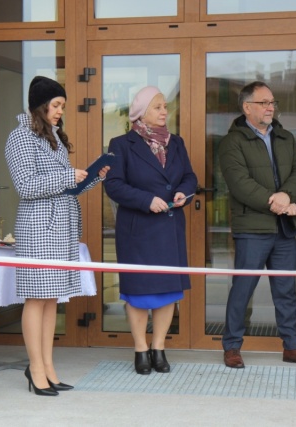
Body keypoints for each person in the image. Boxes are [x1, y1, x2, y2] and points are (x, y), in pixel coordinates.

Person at [5, 76, 109, 396]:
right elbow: (25, 185)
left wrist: (92, 177)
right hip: (38, 228)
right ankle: (35, 368)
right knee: (36, 298)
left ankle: (48, 366)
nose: (61, 111)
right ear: (41, 105)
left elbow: (65, 186)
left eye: (62, 105)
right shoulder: (20, 136)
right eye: (56, 105)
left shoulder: (52, 137)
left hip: (60, 227)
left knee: (51, 299)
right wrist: (67, 175)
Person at [218, 81, 296, 369]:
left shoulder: (284, 137)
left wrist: (286, 195)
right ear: (246, 107)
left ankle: (292, 347)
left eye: (272, 102)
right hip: (252, 228)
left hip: (284, 229)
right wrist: (275, 202)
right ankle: (232, 347)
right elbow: (240, 184)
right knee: (243, 289)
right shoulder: (232, 142)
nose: (270, 107)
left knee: (286, 291)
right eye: (263, 102)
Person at [104, 86, 197, 375]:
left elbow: (189, 176)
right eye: (157, 107)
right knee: (138, 293)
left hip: (170, 228)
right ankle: (140, 349)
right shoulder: (121, 144)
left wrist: (183, 192)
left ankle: (159, 347)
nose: (164, 112)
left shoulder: (176, 142)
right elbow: (113, 185)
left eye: (165, 106)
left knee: (168, 292)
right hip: (138, 231)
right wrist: (147, 200)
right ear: (141, 112)